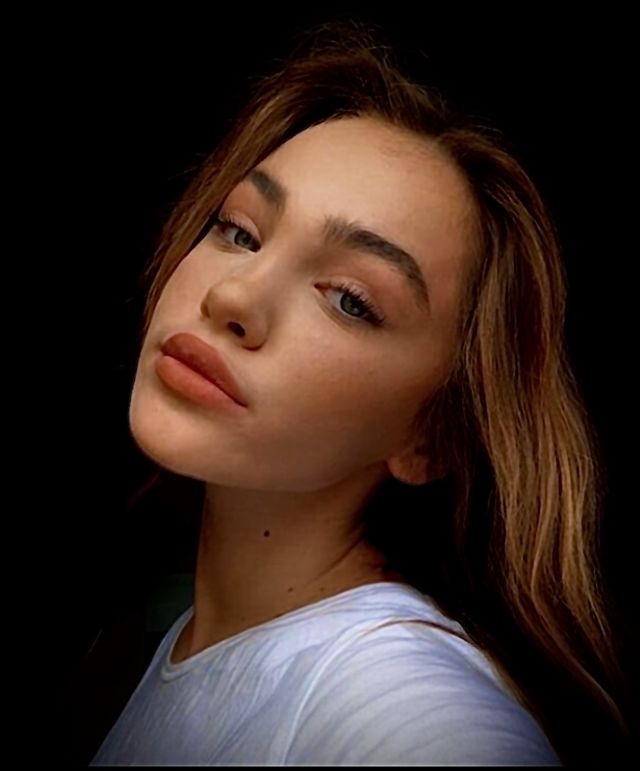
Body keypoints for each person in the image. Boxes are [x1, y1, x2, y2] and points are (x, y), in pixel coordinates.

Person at [89, 22, 633, 766]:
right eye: (240, 232)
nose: (233, 295)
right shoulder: (175, 646)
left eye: (350, 299)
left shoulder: (405, 707)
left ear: (433, 435)